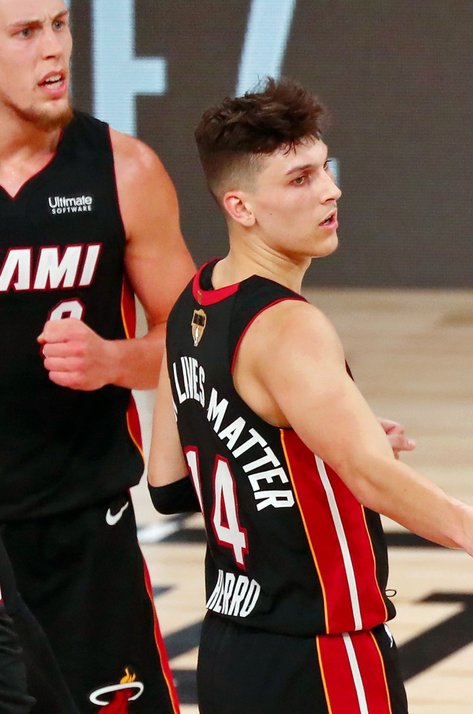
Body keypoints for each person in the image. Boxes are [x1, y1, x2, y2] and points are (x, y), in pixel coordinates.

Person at [145, 77, 473, 714]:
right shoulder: (289, 326)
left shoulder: (191, 301)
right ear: (241, 206)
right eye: (299, 179)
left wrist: (316, 441)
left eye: (325, 168)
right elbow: (367, 475)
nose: (331, 190)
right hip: (323, 652)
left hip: (230, 651)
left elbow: (171, 486)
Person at [0, 0, 196, 710]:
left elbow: (197, 337)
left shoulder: (125, 171)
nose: (54, 50)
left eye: (60, 24)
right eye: (25, 32)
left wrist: (114, 361)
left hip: (85, 532)